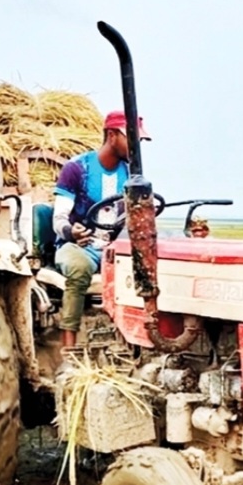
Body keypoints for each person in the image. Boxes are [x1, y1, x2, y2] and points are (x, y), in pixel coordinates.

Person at [52, 110, 150, 348]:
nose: (136, 149)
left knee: (145, 270)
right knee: (79, 268)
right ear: (112, 136)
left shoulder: (131, 176)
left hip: (112, 249)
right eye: (132, 140)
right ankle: (70, 349)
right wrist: (71, 231)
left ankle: (135, 342)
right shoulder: (76, 169)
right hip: (77, 247)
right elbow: (58, 220)